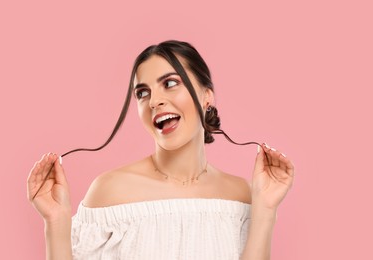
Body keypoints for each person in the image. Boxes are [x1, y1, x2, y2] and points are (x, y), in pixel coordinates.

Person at [27, 40, 294, 260]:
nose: (154, 101)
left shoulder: (243, 196)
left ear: (207, 96)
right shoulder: (111, 191)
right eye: (142, 93)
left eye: (169, 83)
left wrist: (266, 209)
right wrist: (56, 221)